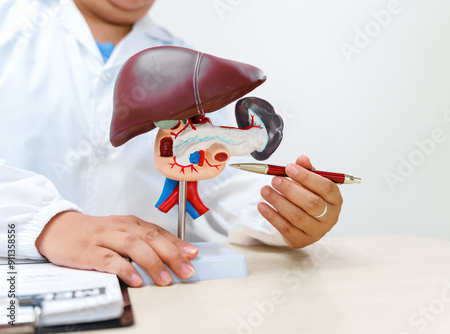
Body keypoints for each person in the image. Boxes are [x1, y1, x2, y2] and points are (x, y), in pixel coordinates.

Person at [0, 0, 343, 287]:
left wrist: (286, 211)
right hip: (21, 287)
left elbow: (224, 183)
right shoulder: (10, 27)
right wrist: (48, 224)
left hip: (158, 290)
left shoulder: (182, 62)